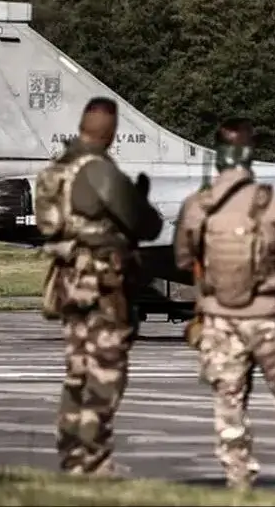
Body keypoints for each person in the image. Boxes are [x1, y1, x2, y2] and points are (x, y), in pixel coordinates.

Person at [172, 117, 275, 495]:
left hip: (220, 321)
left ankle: (238, 481)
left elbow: (180, 259)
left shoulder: (198, 205)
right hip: (270, 318)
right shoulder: (272, 204)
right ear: (249, 154)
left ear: (219, 155)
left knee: (228, 404)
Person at [31, 96, 164, 476]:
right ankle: (93, 460)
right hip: (101, 283)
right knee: (106, 371)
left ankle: (73, 457)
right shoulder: (98, 170)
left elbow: (51, 227)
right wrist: (138, 202)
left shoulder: (56, 171)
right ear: (110, 132)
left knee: (77, 371)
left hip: (67, 280)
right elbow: (144, 223)